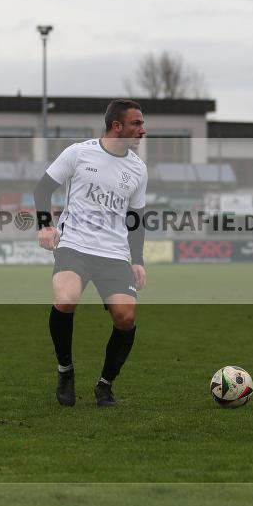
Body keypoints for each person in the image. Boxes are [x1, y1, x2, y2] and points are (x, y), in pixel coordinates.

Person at [33, 99, 148, 407]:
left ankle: (104, 386)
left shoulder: (138, 169)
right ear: (117, 126)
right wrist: (45, 226)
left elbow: (135, 219)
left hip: (113, 254)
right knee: (66, 299)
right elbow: (43, 189)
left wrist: (137, 261)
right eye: (137, 123)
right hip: (75, 246)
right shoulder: (79, 153)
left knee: (126, 317)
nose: (142, 129)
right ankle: (65, 371)